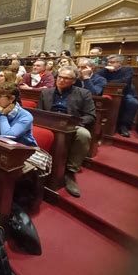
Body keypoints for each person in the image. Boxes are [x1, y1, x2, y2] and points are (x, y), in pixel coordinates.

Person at [38, 66, 96, 197]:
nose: (61, 80)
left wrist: (73, 123)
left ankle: (70, 172)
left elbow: (90, 116)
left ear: (74, 80)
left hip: (72, 125)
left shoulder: (83, 93)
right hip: (49, 123)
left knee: (84, 134)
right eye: (59, 77)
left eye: (66, 78)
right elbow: (39, 112)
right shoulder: (46, 93)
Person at [0, 83, 37, 147]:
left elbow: (8, 136)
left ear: (12, 99)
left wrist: (3, 115)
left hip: (25, 150)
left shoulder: (26, 116)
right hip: (1, 147)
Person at [96, 54, 138, 137]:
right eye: (108, 62)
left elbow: (125, 81)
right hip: (109, 92)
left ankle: (124, 125)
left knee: (133, 103)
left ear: (119, 63)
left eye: (112, 62)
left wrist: (107, 82)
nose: (109, 64)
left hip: (126, 92)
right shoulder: (105, 70)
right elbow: (96, 76)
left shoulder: (127, 69)